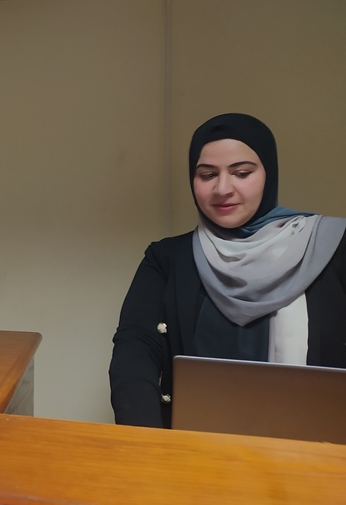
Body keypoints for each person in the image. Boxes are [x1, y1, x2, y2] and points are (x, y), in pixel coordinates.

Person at [109, 113, 346, 428]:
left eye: (242, 173)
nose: (222, 188)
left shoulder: (332, 246)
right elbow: (135, 351)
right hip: (195, 448)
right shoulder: (167, 258)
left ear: (269, 173)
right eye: (207, 175)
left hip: (316, 449)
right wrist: (148, 444)